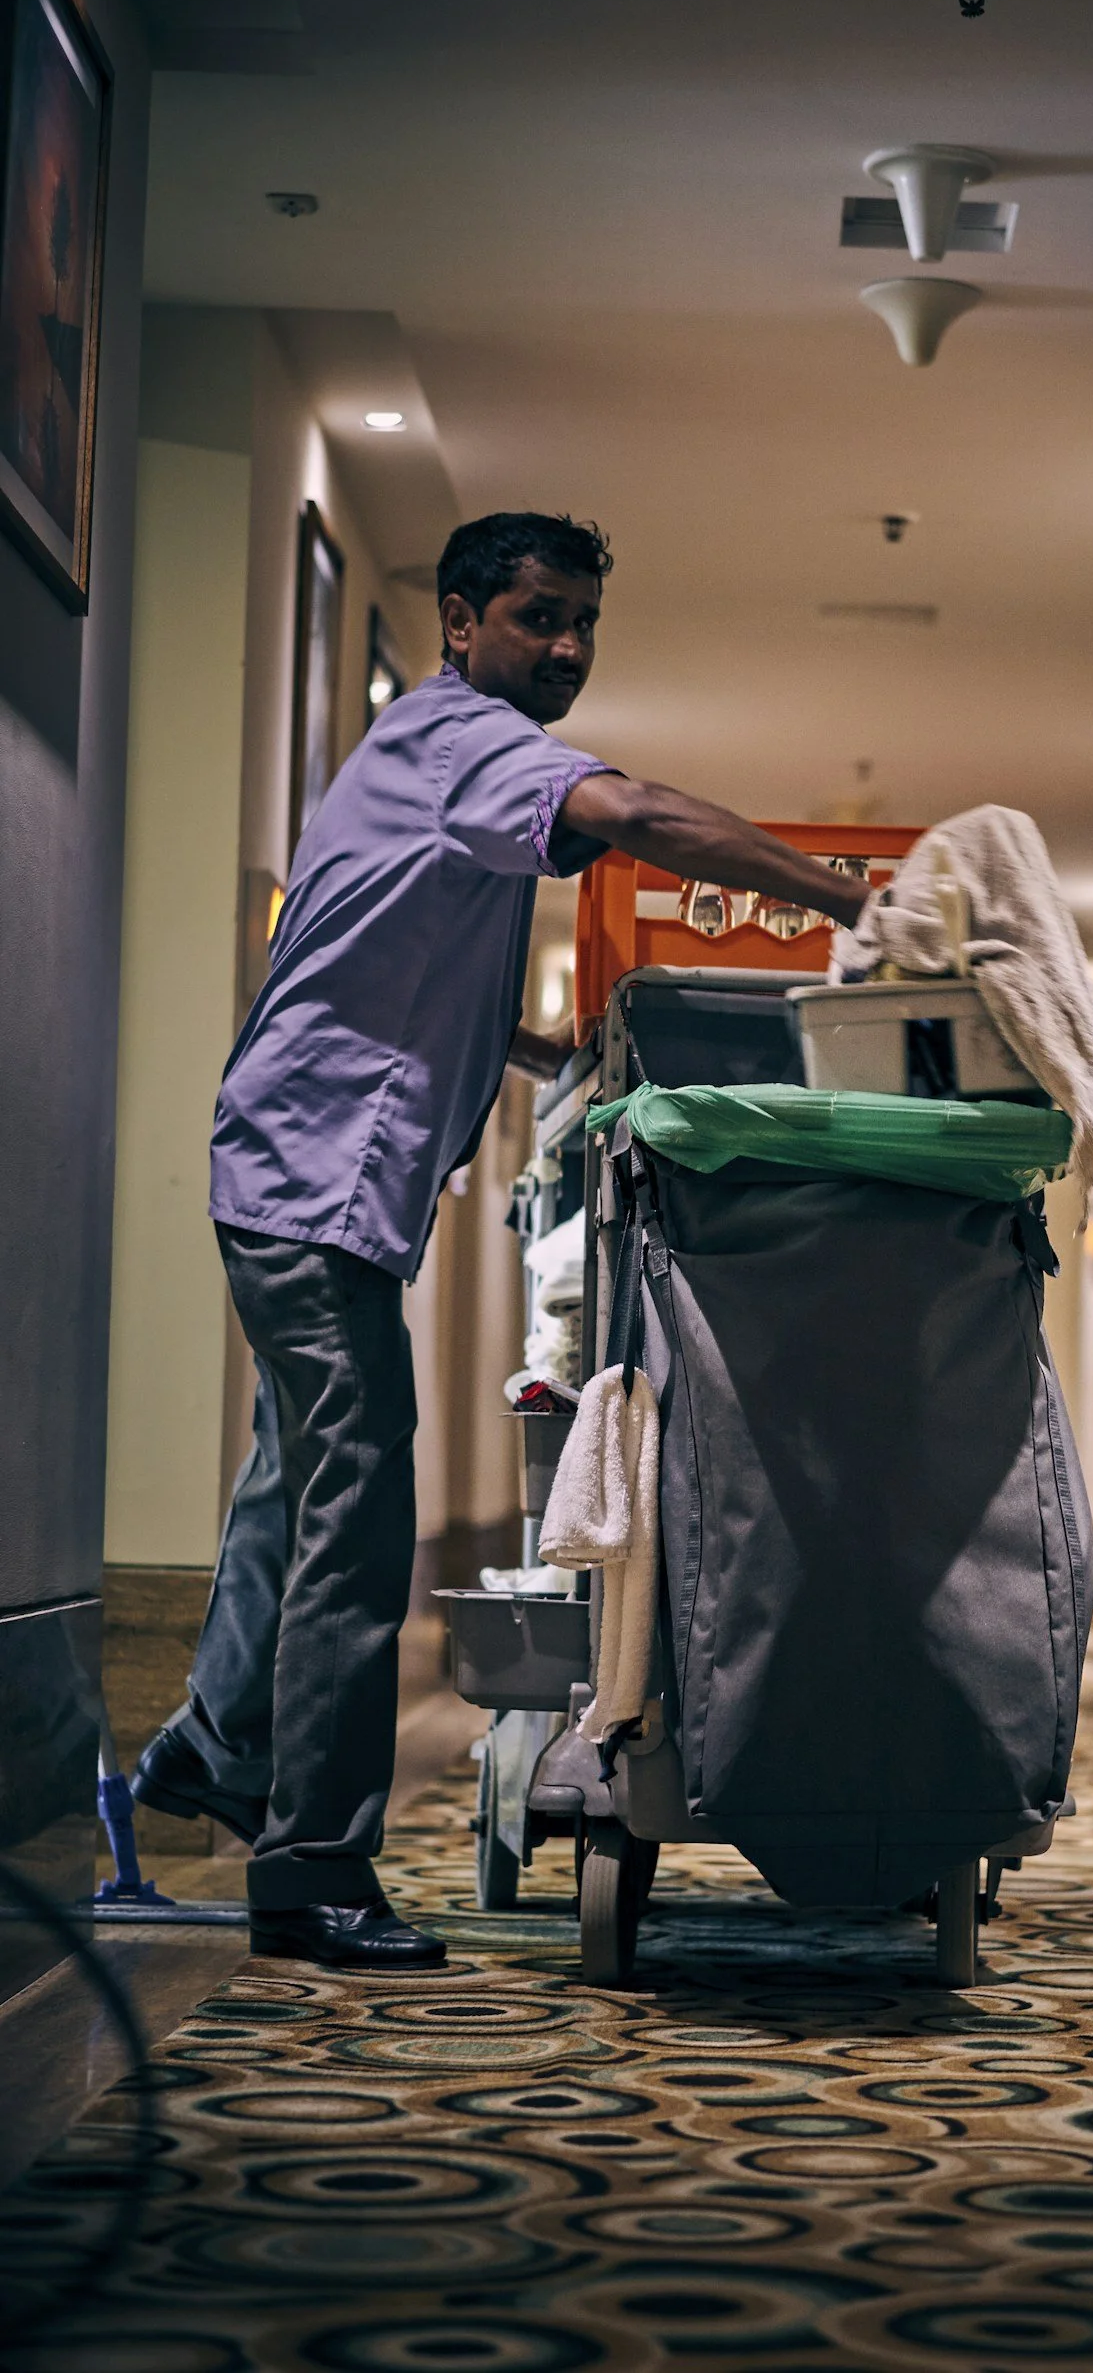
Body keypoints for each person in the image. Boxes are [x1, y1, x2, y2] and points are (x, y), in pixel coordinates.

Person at [132, 511, 867, 1972]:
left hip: (309, 1172)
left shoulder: (425, 756)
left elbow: (382, 957)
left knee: (294, 1482)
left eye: (586, 623)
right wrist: (855, 899)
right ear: (463, 622)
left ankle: (213, 1755)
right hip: (312, 1177)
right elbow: (641, 816)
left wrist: (546, 1053)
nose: (569, 648)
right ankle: (313, 1870)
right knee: (356, 1500)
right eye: (540, 617)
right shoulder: (460, 736)